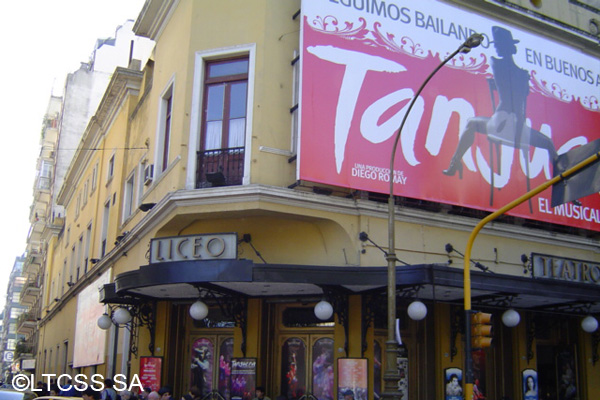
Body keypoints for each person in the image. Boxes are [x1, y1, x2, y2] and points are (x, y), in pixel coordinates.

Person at [442, 26, 557, 179]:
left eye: (498, 44)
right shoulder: (521, 74)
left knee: (470, 123)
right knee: (548, 143)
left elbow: (507, 87)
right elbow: (522, 97)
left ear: (505, 46)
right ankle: (561, 178)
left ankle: (455, 163)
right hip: (518, 127)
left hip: (500, 124)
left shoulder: (497, 64)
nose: (495, 48)